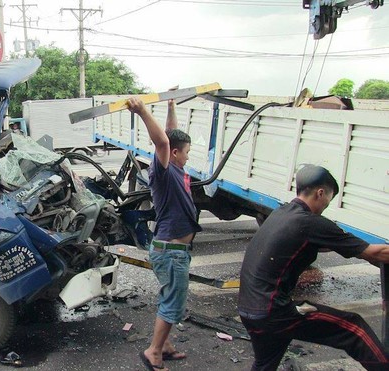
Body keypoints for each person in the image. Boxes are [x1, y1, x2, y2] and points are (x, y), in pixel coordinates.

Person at [237, 164, 389, 371]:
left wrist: (361, 252)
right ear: (320, 193)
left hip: (249, 310)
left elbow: (330, 244)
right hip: (274, 313)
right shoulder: (311, 223)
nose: (328, 204)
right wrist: (370, 254)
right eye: (329, 198)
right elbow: (375, 252)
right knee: (354, 328)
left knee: (265, 364)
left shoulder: (282, 213)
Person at [127, 97, 202, 371]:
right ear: (175, 154)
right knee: (173, 303)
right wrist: (143, 111)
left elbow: (168, 138)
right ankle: (154, 352)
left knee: (171, 300)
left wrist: (171, 108)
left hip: (172, 251)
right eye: (186, 152)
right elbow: (163, 143)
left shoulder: (177, 169)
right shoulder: (162, 171)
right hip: (171, 252)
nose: (187, 155)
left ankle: (165, 345)